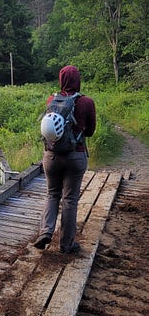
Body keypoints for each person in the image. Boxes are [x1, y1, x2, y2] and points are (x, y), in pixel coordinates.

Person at [34, 65, 96, 253]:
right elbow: (91, 132)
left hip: (51, 156)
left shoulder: (51, 99)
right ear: (78, 80)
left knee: (52, 194)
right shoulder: (86, 102)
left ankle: (45, 232)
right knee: (70, 199)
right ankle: (66, 244)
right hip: (75, 156)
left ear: (61, 80)